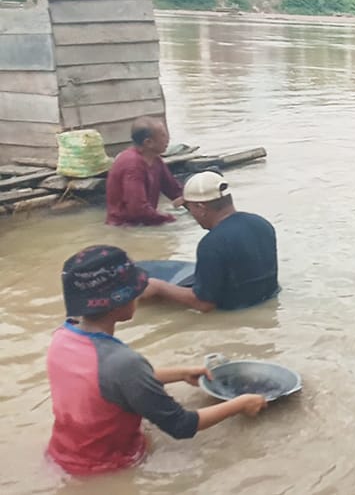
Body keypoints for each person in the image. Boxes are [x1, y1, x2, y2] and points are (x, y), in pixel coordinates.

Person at [46, 245, 267, 476]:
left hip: (63, 454)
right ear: (121, 302)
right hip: (110, 466)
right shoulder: (124, 363)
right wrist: (241, 403)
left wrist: (180, 373)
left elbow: (103, 381)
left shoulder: (62, 336)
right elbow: (182, 425)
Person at [142, 172, 279, 312]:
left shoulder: (211, 244)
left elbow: (204, 304)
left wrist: (159, 287)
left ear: (201, 208)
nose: (192, 215)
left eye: (189, 208)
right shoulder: (262, 224)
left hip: (232, 312)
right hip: (268, 302)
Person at [105, 117, 184, 226]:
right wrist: (169, 219)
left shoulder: (155, 160)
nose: (168, 139)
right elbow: (137, 209)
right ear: (148, 142)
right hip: (124, 227)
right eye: (163, 135)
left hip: (144, 222)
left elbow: (175, 191)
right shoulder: (132, 164)